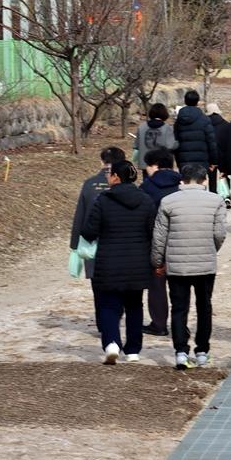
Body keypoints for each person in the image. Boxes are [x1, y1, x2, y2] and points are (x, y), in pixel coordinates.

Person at [152, 163, 227, 370]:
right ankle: (202, 351)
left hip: (177, 265)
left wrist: (158, 262)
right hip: (205, 264)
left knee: (179, 308)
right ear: (204, 180)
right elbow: (219, 234)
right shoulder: (216, 201)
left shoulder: (168, 201)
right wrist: (211, 250)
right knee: (204, 307)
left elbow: (160, 237)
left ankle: (180, 352)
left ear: (181, 180)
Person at [80, 160, 156, 365]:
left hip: (109, 263)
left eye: (109, 174)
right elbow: (153, 232)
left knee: (108, 305)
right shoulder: (146, 200)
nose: (107, 177)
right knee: (134, 306)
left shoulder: (103, 200)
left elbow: (88, 231)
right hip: (138, 263)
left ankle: (112, 343)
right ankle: (133, 350)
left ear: (116, 177)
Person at [69, 146, 126, 324]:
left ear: (101, 162)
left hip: (92, 242)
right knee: (119, 283)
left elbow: (80, 214)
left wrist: (74, 244)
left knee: (98, 284)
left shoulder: (89, 184)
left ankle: (103, 320)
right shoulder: (127, 185)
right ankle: (116, 315)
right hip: (119, 244)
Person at [140, 148, 182, 336]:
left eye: (148, 165)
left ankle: (159, 323)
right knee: (180, 286)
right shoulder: (182, 184)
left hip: (154, 242)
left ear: (155, 166)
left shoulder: (147, 188)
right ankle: (180, 324)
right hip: (180, 241)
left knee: (157, 286)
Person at [174, 90, 219, 173]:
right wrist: (214, 161)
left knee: (186, 185)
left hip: (184, 161)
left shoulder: (178, 121)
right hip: (201, 162)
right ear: (197, 102)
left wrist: (178, 161)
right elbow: (211, 142)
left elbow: (175, 142)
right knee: (200, 185)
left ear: (185, 101)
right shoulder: (205, 119)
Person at [133, 104, 177, 169]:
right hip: (162, 164)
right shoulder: (167, 128)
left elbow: (136, 146)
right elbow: (171, 145)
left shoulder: (141, 127)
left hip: (146, 163)